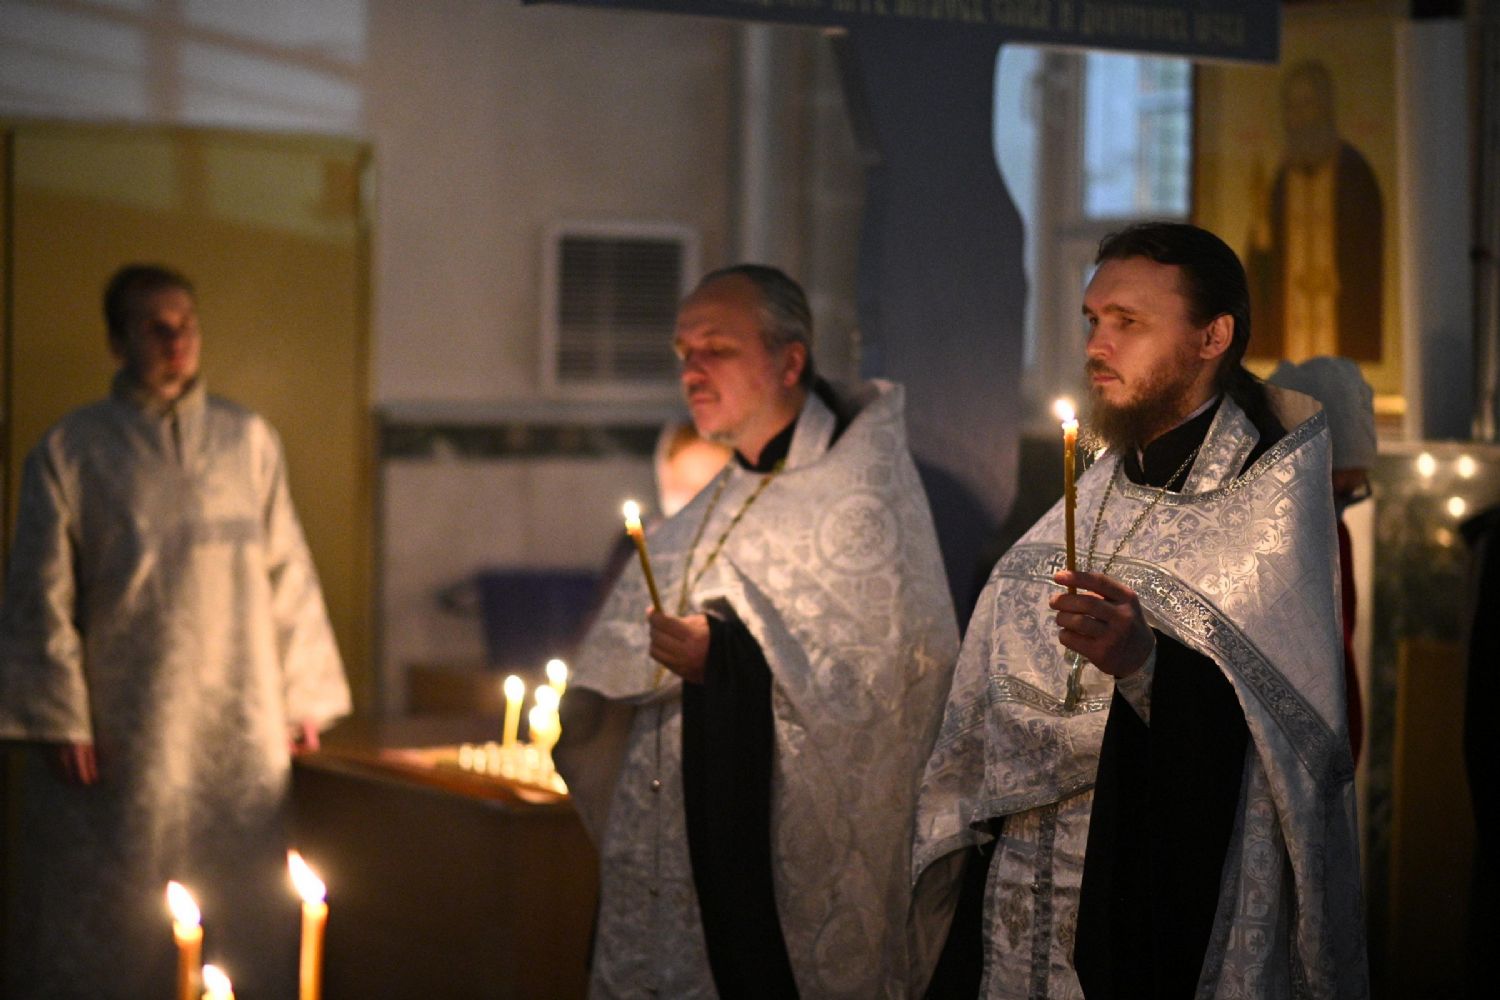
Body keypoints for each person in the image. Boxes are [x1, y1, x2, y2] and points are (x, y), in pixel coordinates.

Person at [914, 223, 1368, 996]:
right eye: (1093, 319)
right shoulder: (1090, 487)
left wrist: (1147, 666)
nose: (1097, 345)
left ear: (1212, 337)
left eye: (1128, 322)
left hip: (1152, 900)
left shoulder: (1266, 504)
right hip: (1020, 888)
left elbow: (1283, 748)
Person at [555, 265, 960, 998]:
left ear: (790, 360)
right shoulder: (722, 492)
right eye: (684, 353)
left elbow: (889, 681)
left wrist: (726, 656)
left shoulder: (860, 500)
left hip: (766, 863)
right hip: (671, 840)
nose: (693, 371)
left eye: (716, 349)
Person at [0, 264, 352, 998]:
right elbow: (39, 594)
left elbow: (288, 570)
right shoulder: (70, 450)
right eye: (154, 326)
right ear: (117, 340)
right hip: (126, 721)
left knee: (244, 890)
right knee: (123, 900)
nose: (175, 340)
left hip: (238, 711)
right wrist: (60, 717)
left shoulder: (247, 440)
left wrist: (303, 696)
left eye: (186, 323)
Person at [1268, 356, 1376, 763]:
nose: (1340, 506)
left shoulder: (1337, 534)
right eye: (1335, 490)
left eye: (1353, 492)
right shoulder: (1261, 542)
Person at [1248, 59, 1384, 362]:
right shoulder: (1280, 179)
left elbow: (1370, 257)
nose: (1299, 116)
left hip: (1343, 318)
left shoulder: (1355, 172)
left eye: (1307, 104)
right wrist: (1260, 222)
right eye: (1292, 107)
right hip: (1289, 324)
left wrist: (1338, 277)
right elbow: (1264, 264)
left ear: (1325, 106)